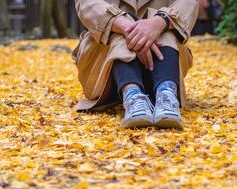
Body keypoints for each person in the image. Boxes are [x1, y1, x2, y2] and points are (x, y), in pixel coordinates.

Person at [73, 1, 199, 130]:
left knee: (166, 31)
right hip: (106, 73)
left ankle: (166, 94)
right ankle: (132, 94)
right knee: (118, 35)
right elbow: (87, 4)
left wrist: (160, 22)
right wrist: (131, 29)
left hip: (164, 55)